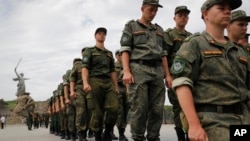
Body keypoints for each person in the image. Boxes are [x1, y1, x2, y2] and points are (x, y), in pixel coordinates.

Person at [170, 0, 250, 140]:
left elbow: (246, 90)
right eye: (221, 8)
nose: (227, 11)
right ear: (206, 14)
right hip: (213, 121)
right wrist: (194, 126)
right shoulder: (195, 44)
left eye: (229, 9)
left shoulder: (239, 52)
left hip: (242, 119)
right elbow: (182, 83)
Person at [119, 0, 172, 140]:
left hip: (157, 70)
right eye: (151, 9)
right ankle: (138, 137)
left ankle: (154, 137)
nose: (153, 13)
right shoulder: (131, 26)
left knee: (157, 109)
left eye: (156, 10)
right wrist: (126, 71)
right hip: (138, 69)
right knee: (140, 108)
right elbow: (125, 49)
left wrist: (168, 75)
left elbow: (164, 54)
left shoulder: (159, 30)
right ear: (142, 8)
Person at [82, 27, 119, 141]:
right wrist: (85, 83)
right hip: (95, 80)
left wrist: (116, 86)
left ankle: (107, 132)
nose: (102, 35)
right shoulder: (89, 50)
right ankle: (98, 134)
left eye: (104, 34)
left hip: (108, 82)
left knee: (114, 108)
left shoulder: (109, 53)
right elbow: (85, 68)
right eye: (99, 33)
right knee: (97, 112)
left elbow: (112, 71)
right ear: (95, 36)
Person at [164, 5, 191, 141]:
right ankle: (181, 136)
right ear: (174, 18)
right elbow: (164, 55)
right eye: (180, 15)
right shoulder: (169, 34)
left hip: (190, 77)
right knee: (178, 108)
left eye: (185, 15)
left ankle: (189, 134)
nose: (183, 18)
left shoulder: (191, 37)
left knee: (191, 106)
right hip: (175, 77)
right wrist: (167, 76)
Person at [70, 58, 88, 141]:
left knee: (89, 112)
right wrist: (72, 91)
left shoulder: (90, 63)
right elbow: (71, 80)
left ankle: (85, 133)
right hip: (79, 89)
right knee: (81, 111)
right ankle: (80, 133)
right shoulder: (77, 66)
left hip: (90, 88)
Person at [115, 50, 129, 141]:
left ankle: (123, 130)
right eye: (118, 55)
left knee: (126, 111)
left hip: (127, 89)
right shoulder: (113, 66)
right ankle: (121, 134)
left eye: (121, 55)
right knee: (119, 112)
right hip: (117, 89)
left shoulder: (126, 66)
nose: (120, 56)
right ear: (116, 56)